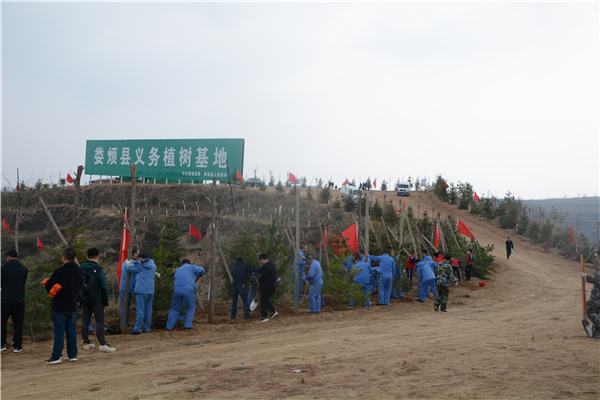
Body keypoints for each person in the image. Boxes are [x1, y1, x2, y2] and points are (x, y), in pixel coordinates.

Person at [44, 248, 82, 364]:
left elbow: (49, 285)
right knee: (71, 331)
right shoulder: (79, 271)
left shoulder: (59, 271)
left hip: (59, 305)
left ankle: (56, 356)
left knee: (59, 331)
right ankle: (72, 355)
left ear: (64, 257)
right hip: (72, 305)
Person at [80, 248, 116, 352]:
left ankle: (86, 342)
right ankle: (103, 343)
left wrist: (79, 299)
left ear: (87, 257)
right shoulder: (99, 269)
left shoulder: (81, 268)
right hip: (97, 299)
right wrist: (106, 301)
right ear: (97, 257)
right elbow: (104, 286)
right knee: (99, 321)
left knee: (85, 320)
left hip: (85, 299)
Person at [1, 250, 29, 353]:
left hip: (5, 300)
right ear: (17, 257)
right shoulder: (24, 269)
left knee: (2, 322)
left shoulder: (3, 269)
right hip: (19, 299)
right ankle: (17, 346)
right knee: (18, 324)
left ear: (8, 257)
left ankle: (2, 344)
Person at [166, 259, 205, 330]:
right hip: (188, 289)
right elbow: (202, 270)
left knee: (174, 308)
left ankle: (169, 327)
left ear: (182, 264)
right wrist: (199, 276)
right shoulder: (192, 267)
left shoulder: (178, 269)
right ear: (188, 263)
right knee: (191, 307)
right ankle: (187, 325)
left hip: (177, 289)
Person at [125, 252, 156, 334]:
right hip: (150, 291)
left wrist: (128, 264)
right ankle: (146, 328)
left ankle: (137, 329)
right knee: (148, 310)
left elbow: (130, 269)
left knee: (140, 310)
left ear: (140, 258)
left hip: (141, 290)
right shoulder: (153, 265)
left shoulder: (141, 265)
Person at [119, 248, 138, 327]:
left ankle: (124, 323)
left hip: (125, 287)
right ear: (134, 254)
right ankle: (123, 323)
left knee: (124, 306)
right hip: (127, 287)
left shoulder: (126, 262)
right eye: (137, 253)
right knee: (124, 306)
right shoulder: (132, 263)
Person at [257, 253, 277, 322]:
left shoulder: (265, 267)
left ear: (262, 259)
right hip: (272, 286)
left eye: (260, 260)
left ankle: (264, 316)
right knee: (266, 299)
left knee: (263, 300)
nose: (260, 262)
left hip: (267, 286)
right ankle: (273, 311)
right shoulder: (271, 264)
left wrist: (258, 280)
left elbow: (263, 277)